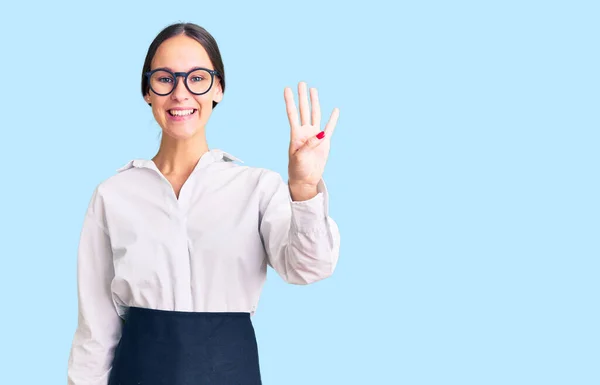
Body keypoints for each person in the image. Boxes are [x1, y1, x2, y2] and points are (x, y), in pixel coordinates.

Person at [66, 22, 341, 385]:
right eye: (165, 78)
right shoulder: (113, 195)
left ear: (219, 89)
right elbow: (96, 329)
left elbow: (308, 268)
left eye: (197, 78)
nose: (181, 93)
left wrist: (304, 186)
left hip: (230, 371)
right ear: (147, 91)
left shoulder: (256, 187)